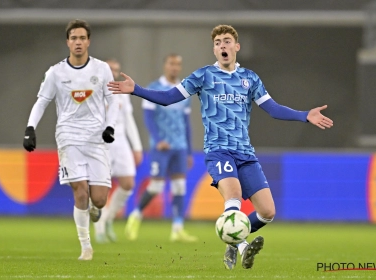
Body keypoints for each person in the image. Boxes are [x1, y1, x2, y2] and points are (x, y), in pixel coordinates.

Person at [107, 25, 333, 269]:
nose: (222, 46)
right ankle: (243, 246)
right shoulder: (203, 76)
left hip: (245, 154)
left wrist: (304, 115)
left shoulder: (250, 78)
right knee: (233, 195)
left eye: (227, 41)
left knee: (267, 212)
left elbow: (273, 109)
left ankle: (232, 241)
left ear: (236, 47)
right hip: (218, 150)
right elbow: (169, 97)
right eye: (217, 43)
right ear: (214, 49)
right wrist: (137, 90)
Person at [23, 19, 118, 261]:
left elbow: (113, 100)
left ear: (89, 41)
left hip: (97, 139)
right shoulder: (56, 72)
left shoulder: (101, 69)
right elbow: (42, 101)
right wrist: (30, 128)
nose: (78, 42)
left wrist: (109, 126)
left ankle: (96, 209)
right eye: (74, 38)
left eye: (82, 38)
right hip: (68, 137)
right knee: (80, 192)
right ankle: (86, 247)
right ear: (68, 42)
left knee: (99, 198)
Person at [125, 54, 197, 242]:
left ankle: (177, 228)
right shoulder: (154, 88)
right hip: (161, 147)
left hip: (180, 146)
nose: (175, 67)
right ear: (165, 65)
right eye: (171, 63)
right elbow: (148, 117)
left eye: (178, 64)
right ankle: (136, 215)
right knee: (156, 186)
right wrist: (157, 140)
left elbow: (186, 121)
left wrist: (189, 150)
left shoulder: (184, 90)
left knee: (179, 187)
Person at [94, 59, 143, 243]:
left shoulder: (122, 91)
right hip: (100, 143)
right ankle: (98, 229)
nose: (113, 72)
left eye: (116, 69)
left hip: (121, 141)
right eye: (110, 69)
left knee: (128, 183)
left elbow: (128, 119)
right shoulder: (94, 91)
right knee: (100, 187)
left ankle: (108, 218)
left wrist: (136, 147)